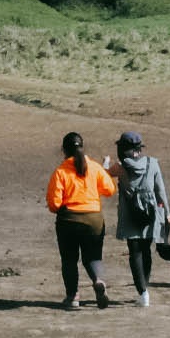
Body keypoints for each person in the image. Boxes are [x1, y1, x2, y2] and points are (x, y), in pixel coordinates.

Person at [44, 131, 116, 308]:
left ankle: (73, 297)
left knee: (69, 259)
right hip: (94, 219)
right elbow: (109, 189)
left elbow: (54, 203)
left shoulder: (60, 172)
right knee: (93, 257)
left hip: (69, 219)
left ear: (63, 150)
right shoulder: (94, 167)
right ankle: (98, 280)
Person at [112, 130, 170, 307]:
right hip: (150, 214)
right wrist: (167, 213)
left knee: (135, 252)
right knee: (146, 251)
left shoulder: (120, 167)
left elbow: (104, 175)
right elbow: (160, 191)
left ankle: (143, 292)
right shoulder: (152, 164)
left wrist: (105, 163)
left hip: (130, 214)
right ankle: (144, 288)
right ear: (139, 148)